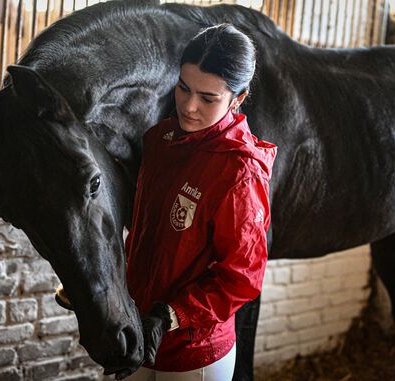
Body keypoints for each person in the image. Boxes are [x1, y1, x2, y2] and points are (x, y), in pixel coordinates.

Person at [123, 23, 277, 381]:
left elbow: (241, 278)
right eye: (183, 88)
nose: (189, 107)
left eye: (208, 98)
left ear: (238, 98)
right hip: (135, 331)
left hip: (195, 351)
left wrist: (170, 315)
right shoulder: (160, 139)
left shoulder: (239, 172)